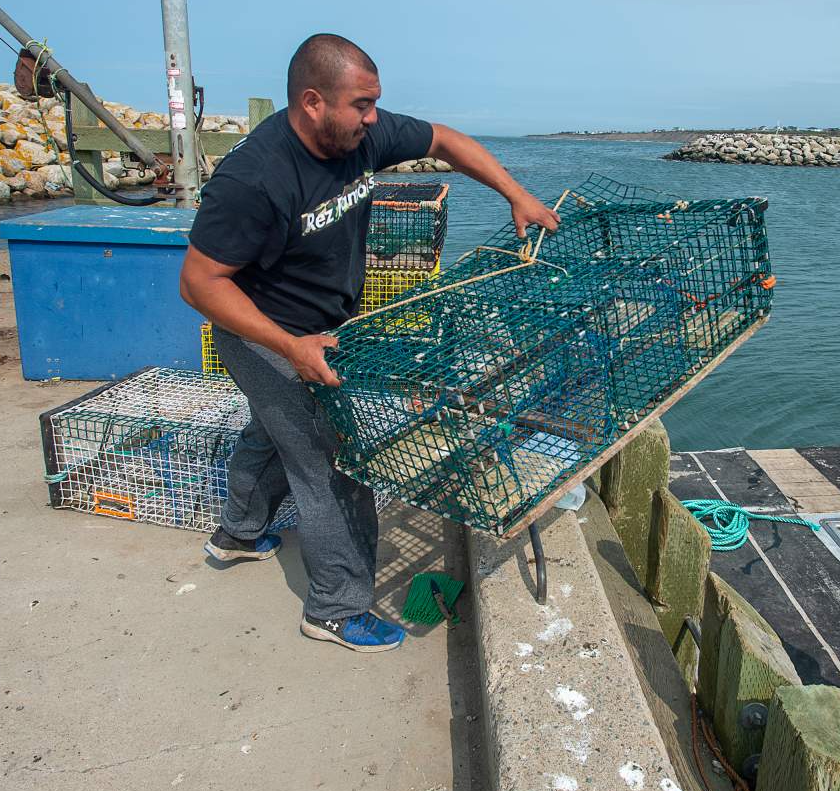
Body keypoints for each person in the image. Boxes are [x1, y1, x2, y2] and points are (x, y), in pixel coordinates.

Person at [179, 33, 559, 653]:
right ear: (312, 102)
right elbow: (198, 283)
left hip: (328, 323)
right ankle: (334, 607)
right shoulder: (254, 180)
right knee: (332, 460)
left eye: (375, 103)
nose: (374, 118)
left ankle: (240, 534)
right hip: (265, 332)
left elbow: (443, 139)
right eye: (361, 105)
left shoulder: (361, 135)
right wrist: (290, 346)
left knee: (276, 430)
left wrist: (515, 193)